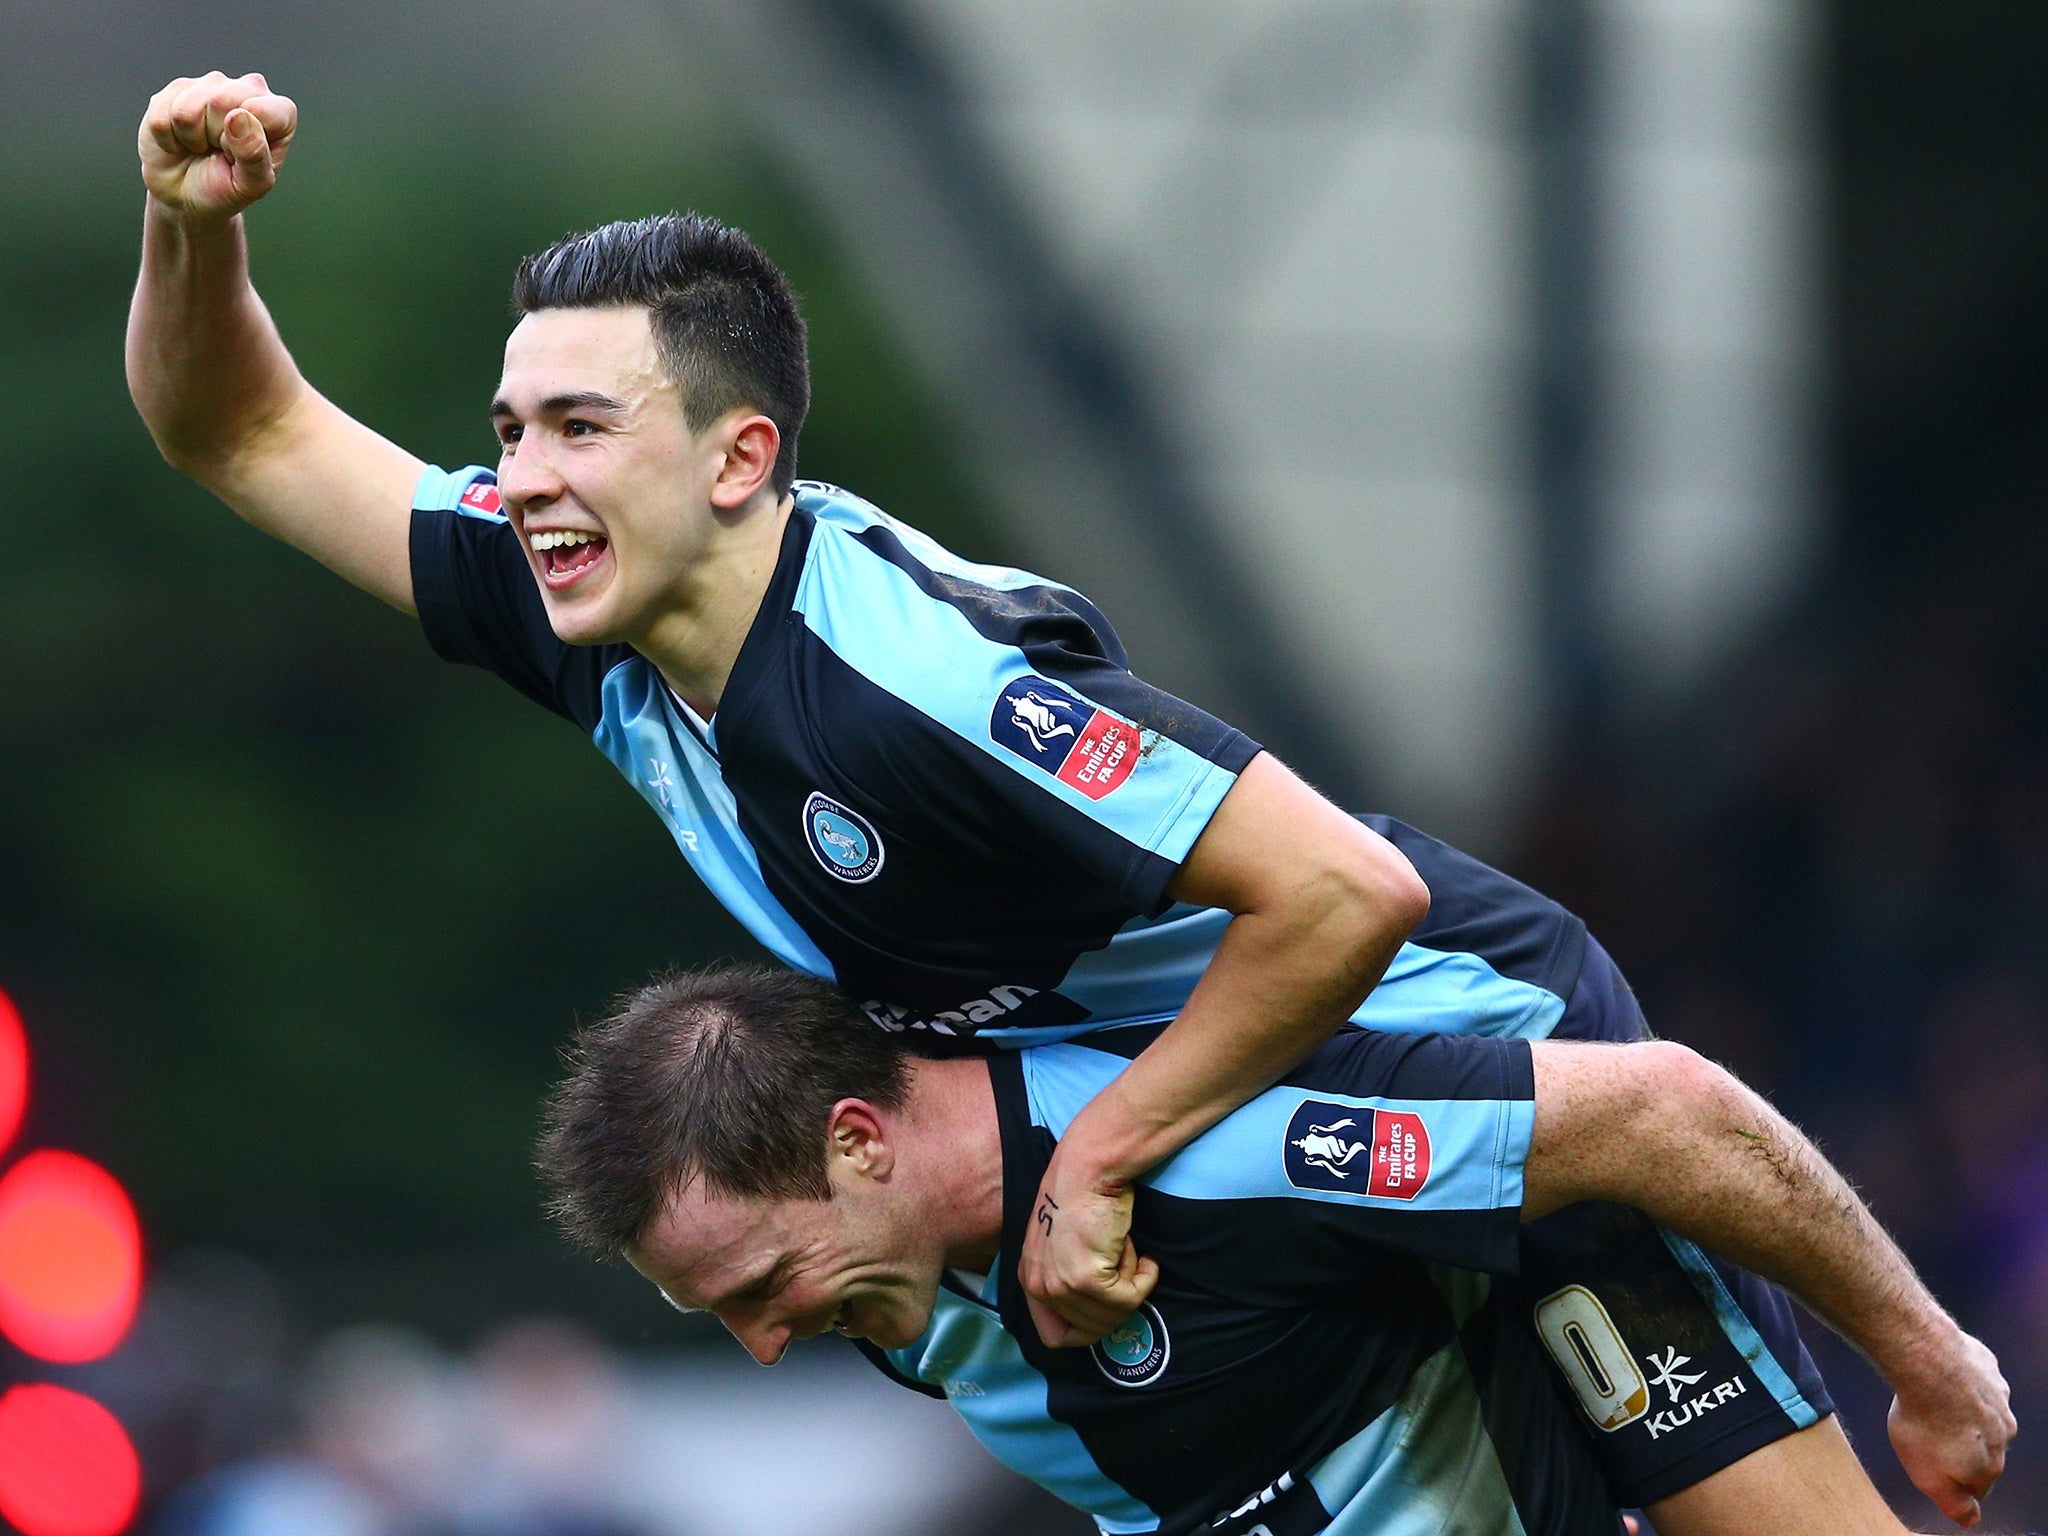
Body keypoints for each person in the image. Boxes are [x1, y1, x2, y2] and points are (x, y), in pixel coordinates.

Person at [124, 73, 2008, 1523]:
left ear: (739, 460)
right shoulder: (582, 609)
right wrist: (189, 228)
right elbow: (242, 429)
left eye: (579, 428)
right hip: (1210, 1139)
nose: (520, 473)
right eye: (512, 427)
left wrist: (1101, 1159)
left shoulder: (911, 692)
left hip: (1442, 1054)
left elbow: (1347, 899)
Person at [535, 964, 2014, 1536]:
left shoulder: (1216, 1152)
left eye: (761, 1288)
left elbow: (1668, 1116)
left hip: (1560, 1157)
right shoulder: (908, 1306)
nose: (766, 1342)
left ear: (860, 1143)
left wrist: (1929, 1361)